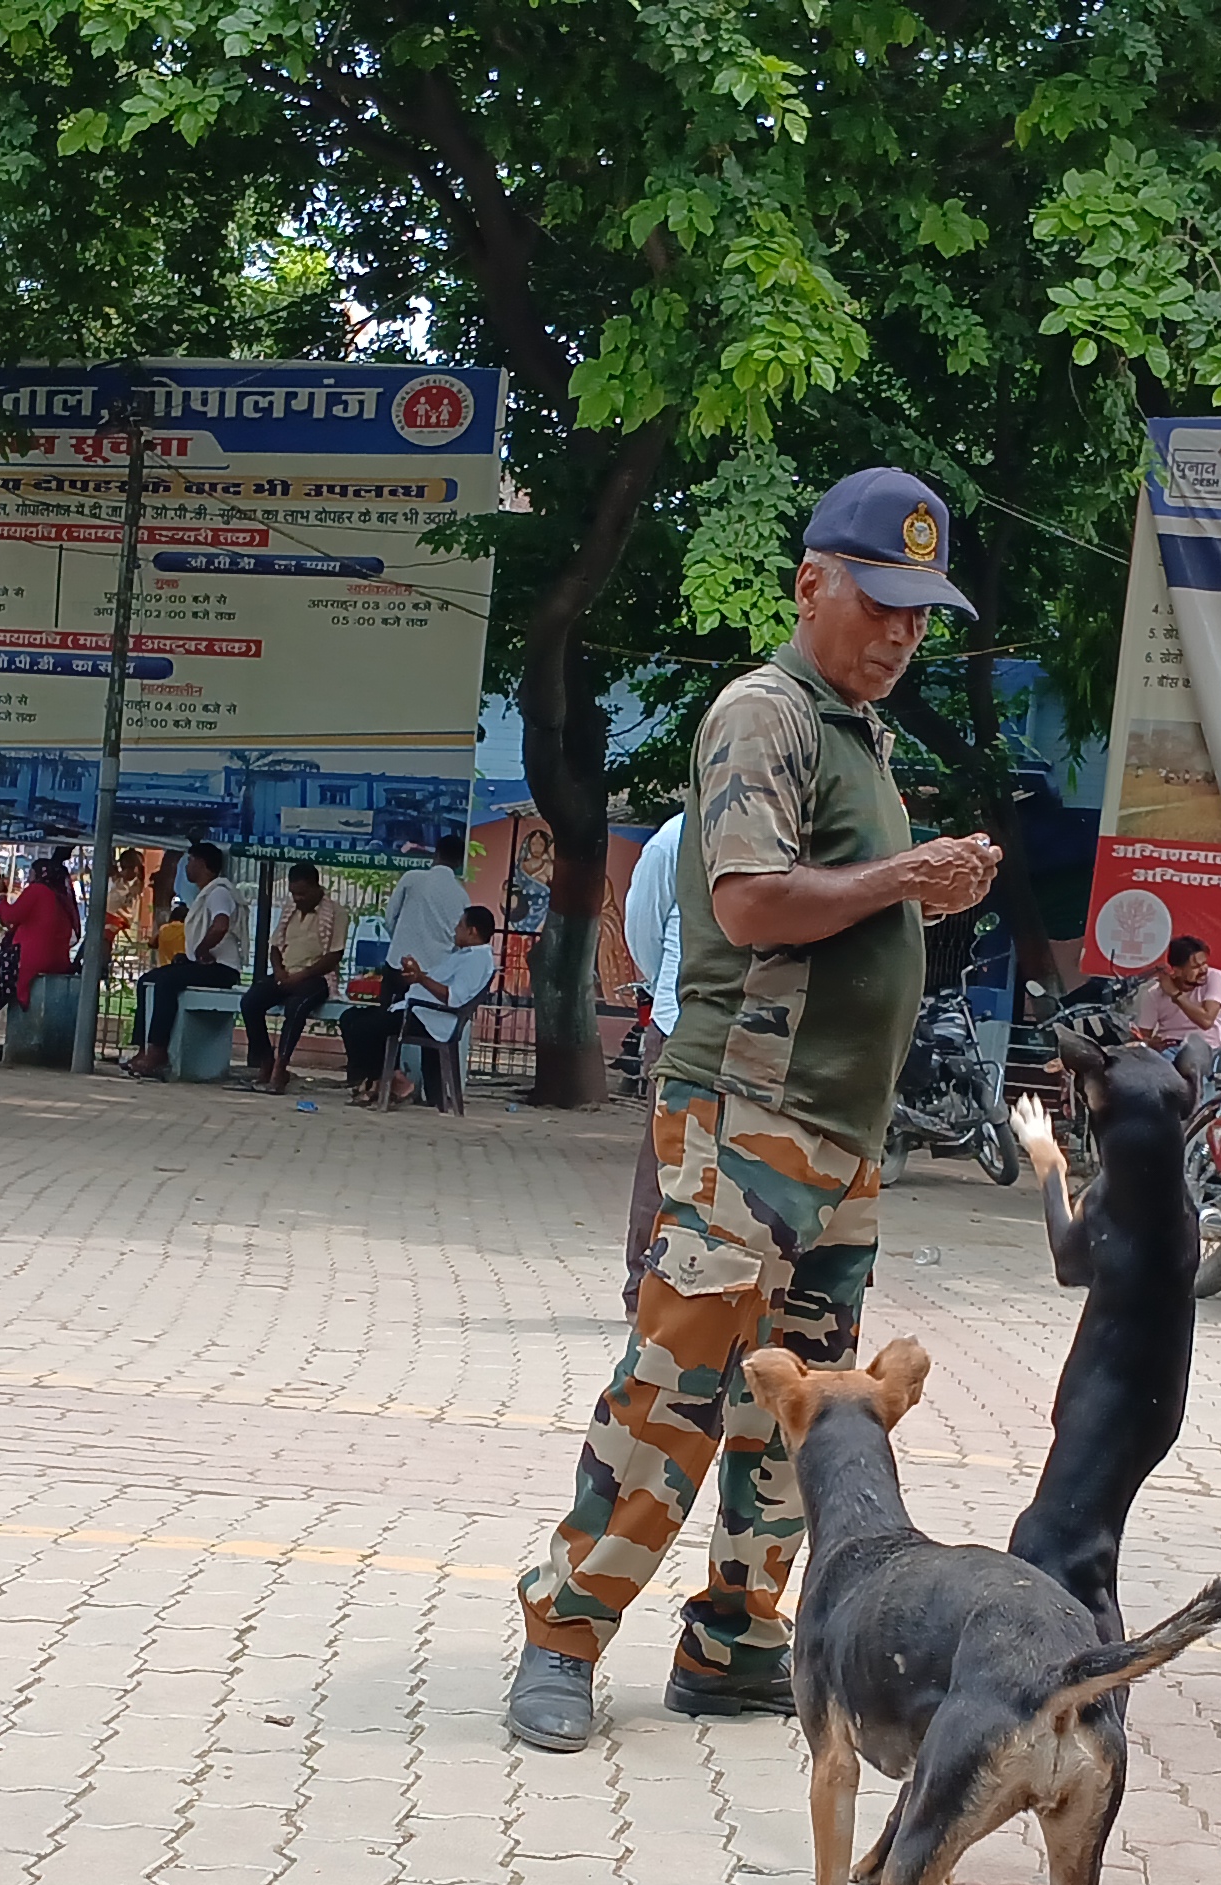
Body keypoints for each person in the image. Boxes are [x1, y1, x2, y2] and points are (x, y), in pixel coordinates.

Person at [506, 468, 1001, 1749]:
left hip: (839, 1137)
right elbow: (749, 903)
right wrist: (904, 874)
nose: (900, 634)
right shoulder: (762, 714)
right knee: (674, 1384)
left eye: (920, 616)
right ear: (811, 585)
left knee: (804, 1403)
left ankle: (736, 1639)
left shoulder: (857, 734)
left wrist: (915, 894)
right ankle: (563, 1633)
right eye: (880, 604)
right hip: (747, 1119)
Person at [615, 809, 689, 1299]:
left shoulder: (787, 832)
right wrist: (669, 986)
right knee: (665, 1160)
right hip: (683, 1021)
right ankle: (644, 1286)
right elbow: (643, 931)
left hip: (762, 1028)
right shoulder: (676, 839)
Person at [339, 903, 497, 1110]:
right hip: (417, 1010)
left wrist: (421, 979)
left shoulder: (477, 959)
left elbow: (454, 997)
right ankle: (384, 1079)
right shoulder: (463, 955)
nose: (455, 930)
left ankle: (387, 1083)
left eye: (459, 925)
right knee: (349, 1017)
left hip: (431, 1018)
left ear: (472, 931)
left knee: (364, 1028)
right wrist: (416, 974)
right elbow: (436, 981)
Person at [122, 841, 241, 1080]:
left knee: (167, 983)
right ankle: (144, 1047)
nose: (186, 866)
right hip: (204, 964)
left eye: (190, 861)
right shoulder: (204, 894)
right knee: (148, 980)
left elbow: (220, 925)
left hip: (221, 969)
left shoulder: (219, 892)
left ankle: (158, 1051)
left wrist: (202, 950)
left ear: (202, 864)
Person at [239, 862, 351, 1092]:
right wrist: (279, 971)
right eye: (293, 893)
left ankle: (281, 1067)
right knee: (251, 1001)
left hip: (317, 977)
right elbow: (275, 945)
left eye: (302, 893)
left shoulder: (336, 913)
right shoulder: (290, 910)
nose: (297, 898)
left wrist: (302, 976)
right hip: (286, 973)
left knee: (295, 1007)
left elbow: (334, 955)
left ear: (316, 887)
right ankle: (265, 1062)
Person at [0, 852, 81, 1058]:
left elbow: (10, 916)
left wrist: (1, 895)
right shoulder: (62, 897)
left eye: (32, 873)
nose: (29, 878)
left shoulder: (38, 891)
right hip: (54, 959)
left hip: (25, 956)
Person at [1127, 934, 1221, 1092]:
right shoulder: (1154, 994)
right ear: (1176, 971)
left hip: (1208, 1051)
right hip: (1170, 1051)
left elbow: (1206, 1021)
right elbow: (1142, 1036)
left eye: (1204, 963)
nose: (1203, 970)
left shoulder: (1214, 977)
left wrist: (1175, 994)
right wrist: (1150, 1043)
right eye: (1195, 967)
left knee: (1198, 1083)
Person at [385, 827, 470, 964]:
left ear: (436, 855)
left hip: (401, 962)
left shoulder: (411, 878)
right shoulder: (463, 896)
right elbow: (460, 937)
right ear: (460, 862)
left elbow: (390, 917)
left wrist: (400, 942)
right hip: (437, 970)